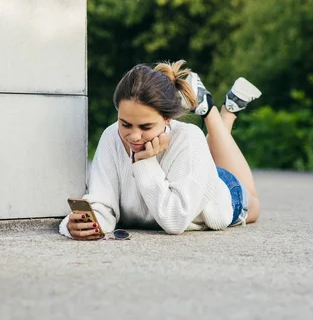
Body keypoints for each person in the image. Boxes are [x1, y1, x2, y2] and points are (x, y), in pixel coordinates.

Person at [59, 60, 262, 240]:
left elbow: (175, 220)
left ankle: (216, 111)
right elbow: (102, 204)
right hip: (189, 172)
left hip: (220, 191)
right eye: (125, 124)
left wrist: (144, 161)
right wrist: (81, 225)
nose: (134, 136)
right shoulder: (111, 136)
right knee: (202, 153)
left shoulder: (189, 138)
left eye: (146, 127)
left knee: (255, 202)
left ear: (168, 118)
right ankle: (225, 108)